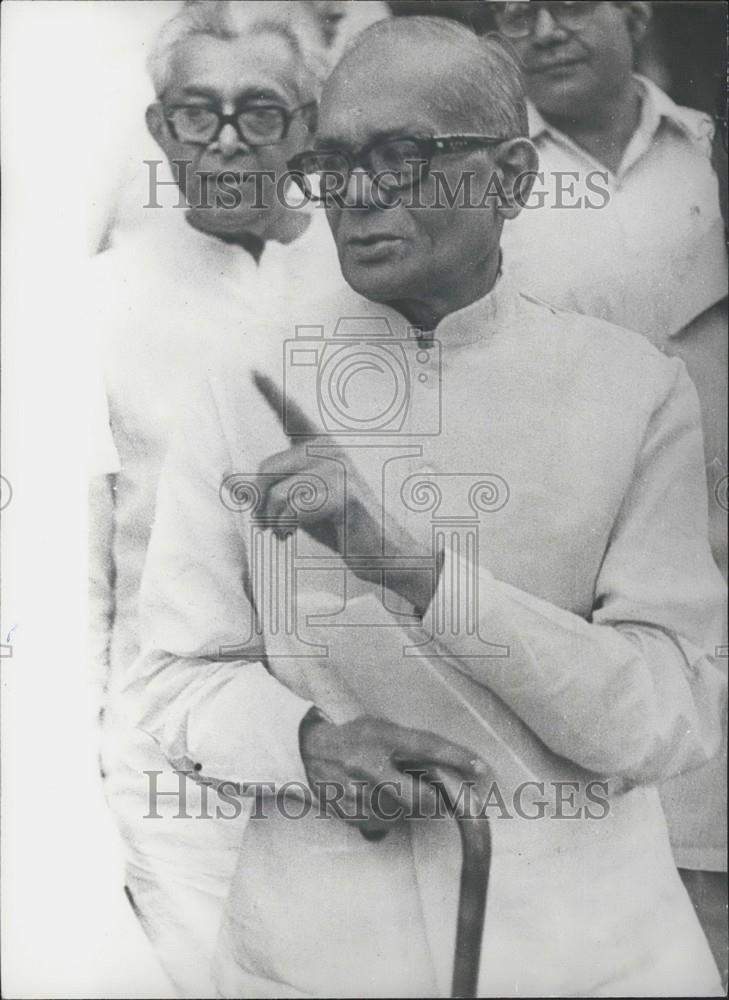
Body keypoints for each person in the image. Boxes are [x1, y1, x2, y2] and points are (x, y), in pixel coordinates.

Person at [127, 16, 725, 996]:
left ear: (515, 178)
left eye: (403, 157)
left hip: (589, 947)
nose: (358, 197)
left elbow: (664, 717)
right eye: (335, 162)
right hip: (319, 946)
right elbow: (177, 680)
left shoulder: (633, 390)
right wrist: (306, 743)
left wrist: (411, 568)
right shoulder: (243, 386)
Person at [88, 2, 342, 994]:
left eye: (262, 113)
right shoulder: (97, 304)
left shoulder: (375, 279)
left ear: (310, 126)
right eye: (198, 113)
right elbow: (75, 576)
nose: (229, 142)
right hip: (175, 789)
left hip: (353, 765)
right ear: (161, 130)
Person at [491, 1, 728, 981]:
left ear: (634, 11)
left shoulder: (708, 155)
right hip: (583, 588)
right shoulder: (492, 180)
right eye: (516, 13)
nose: (545, 30)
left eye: (572, 4)